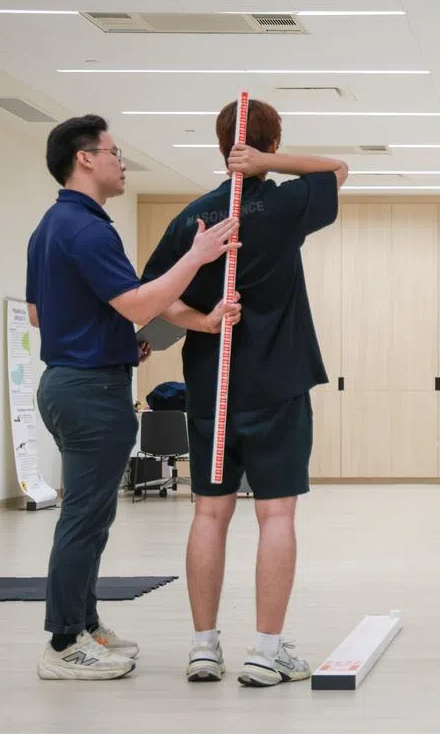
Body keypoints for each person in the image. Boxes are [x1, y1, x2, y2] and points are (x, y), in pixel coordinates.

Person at [141, 98, 348, 686]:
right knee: (275, 513)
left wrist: (203, 322)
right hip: (276, 384)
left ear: (219, 143)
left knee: (209, 512)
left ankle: (203, 647)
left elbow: (156, 301)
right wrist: (270, 162)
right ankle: (265, 650)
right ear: (271, 141)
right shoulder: (285, 203)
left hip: (211, 387)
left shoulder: (194, 217)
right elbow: (336, 169)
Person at [27, 114, 240, 680]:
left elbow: (39, 313)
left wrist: (122, 335)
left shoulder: (52, 226)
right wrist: (196, 256)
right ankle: (63, 641)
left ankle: (86, 624)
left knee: (92, 516)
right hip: (91, 388)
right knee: (84, 518)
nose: (123, 162)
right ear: (85, 159)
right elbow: (140, 305)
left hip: (70, 380)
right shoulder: (88, 229)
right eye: (114, 152)